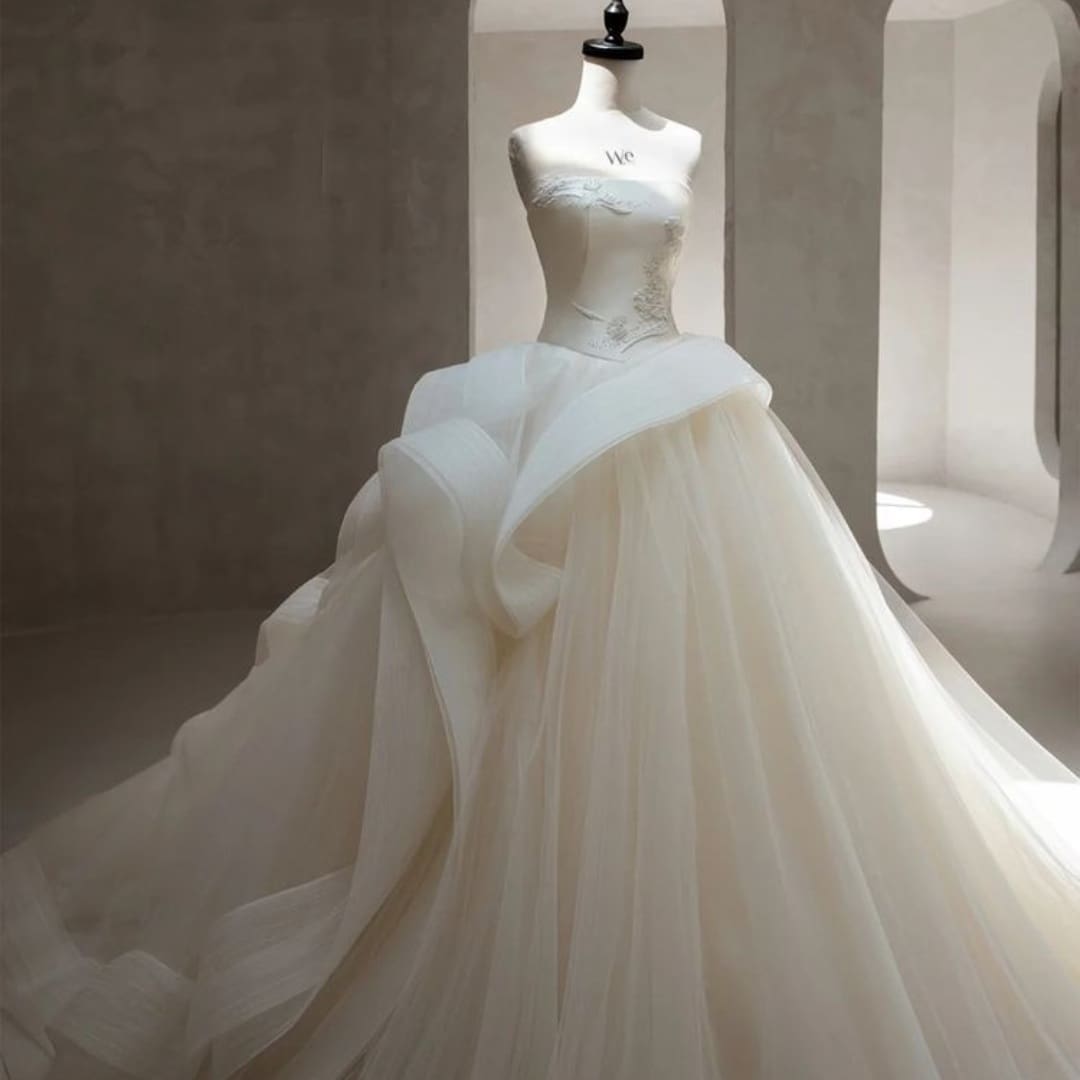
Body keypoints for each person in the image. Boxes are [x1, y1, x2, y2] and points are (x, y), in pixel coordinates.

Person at [4, 42, 1079, 1080]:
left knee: (722, 704)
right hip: (543, 418)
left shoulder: (686, 139)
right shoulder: (532, 140)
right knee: (508, 692)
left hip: (680, 434)